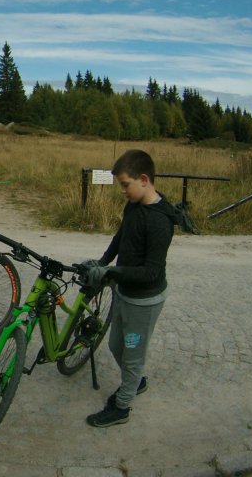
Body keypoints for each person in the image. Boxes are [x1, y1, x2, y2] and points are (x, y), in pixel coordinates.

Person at [82, 149, 179, 428]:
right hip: (124, 291)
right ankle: (136, 381)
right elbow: (121, 236)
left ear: (144, 179)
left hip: (144, 301)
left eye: (125, 184)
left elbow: (151, 272)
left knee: (133, 355)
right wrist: (103, 262)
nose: (122, 191)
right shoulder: (134, 205)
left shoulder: (160, 220)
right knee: (115, 345)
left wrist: (111, 272)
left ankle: (122, 407)